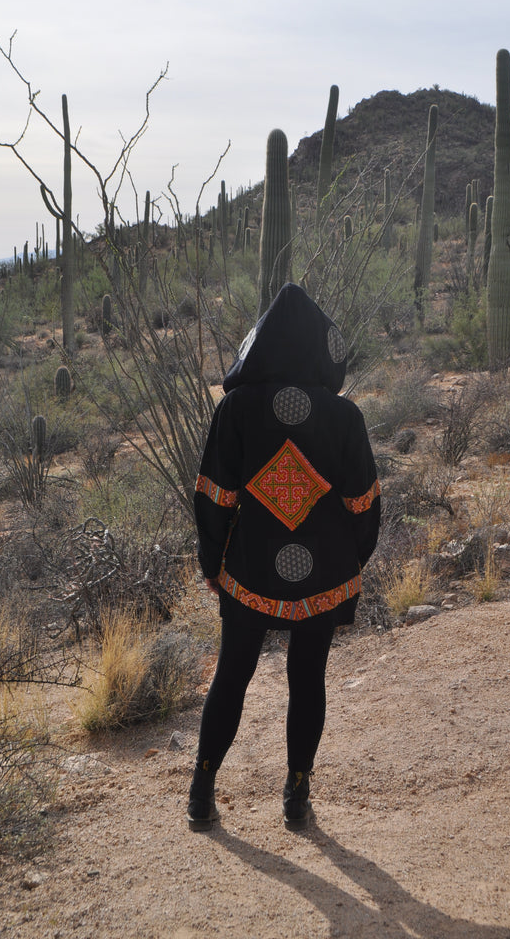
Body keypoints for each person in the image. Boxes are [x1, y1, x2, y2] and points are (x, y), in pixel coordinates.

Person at [188, 283, 380, 831]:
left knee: (232, 675)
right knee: (307, 678)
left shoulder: (237, 409)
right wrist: (349, 560)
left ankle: (201, 792)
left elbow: (214, 496)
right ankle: (297, 797)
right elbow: (364, 504)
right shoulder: (345, 418)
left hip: (249, 569)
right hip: (323, 572)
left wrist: (212, 563)